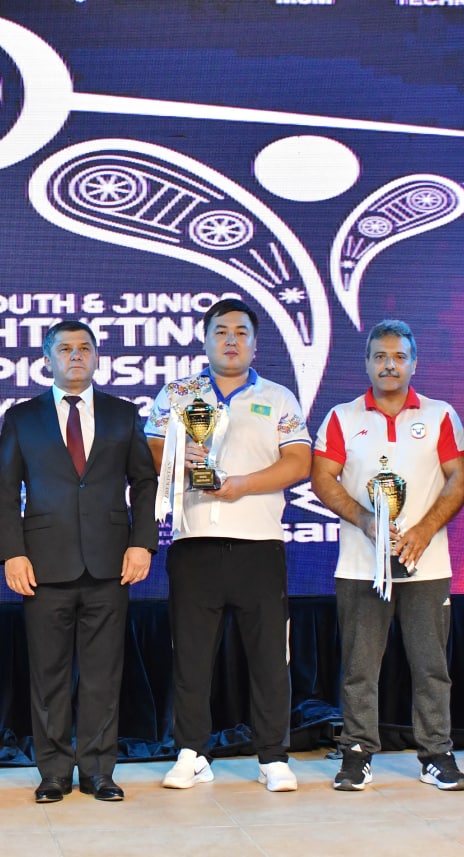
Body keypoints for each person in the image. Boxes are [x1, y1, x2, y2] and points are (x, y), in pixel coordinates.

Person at [146, 298, 312, 793]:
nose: (231, 340)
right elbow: (152, 449)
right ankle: (192, 752)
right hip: (194, 542)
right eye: (220, 331)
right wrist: (177, 454)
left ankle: (273, 756)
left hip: (259, 544)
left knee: (269, 657)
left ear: (255, 344)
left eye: (241, 332)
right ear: (205, 340)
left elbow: (299, 462)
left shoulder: (278, 397)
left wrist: (242, 485)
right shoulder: (178, 394)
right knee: (192, 656)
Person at [0, 320, 158, 803]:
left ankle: (99, 771)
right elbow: (5, 489)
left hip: (111, 563)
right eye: (65, 349)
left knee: (104, 675)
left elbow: (144, 482)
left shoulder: (123, 414)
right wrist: (13, 553)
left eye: (85, 347)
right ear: (47, 360)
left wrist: (142, 542)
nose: (76, 355)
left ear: (97, 356)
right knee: (49, 676)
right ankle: (54, 773)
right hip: (43, 566)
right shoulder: (22, 417)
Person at [310, 319, 464, 792]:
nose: (389, 365)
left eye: (399, 356)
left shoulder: (441, 415)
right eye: (380, 356)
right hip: (362, 565)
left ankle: (436, 754)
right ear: (366, 363)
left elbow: (459, 478)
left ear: (414, 363)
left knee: (431, 667)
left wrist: (423, 530)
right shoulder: (342, 416)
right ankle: (357, 753)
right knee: (359, 669)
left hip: (427, 563)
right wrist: (367, 521)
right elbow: (323, 478)